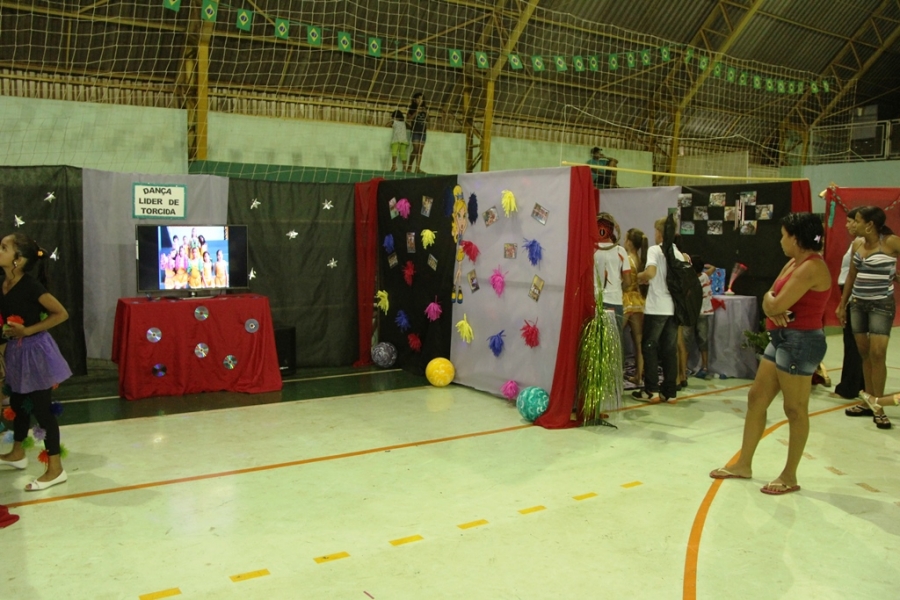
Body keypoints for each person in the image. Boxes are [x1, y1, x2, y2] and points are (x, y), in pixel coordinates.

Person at [710, 213, 831, 495]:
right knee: (756, 399)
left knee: (795, 409)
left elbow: (774, 305)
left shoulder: (811, 267)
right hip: (780, 339)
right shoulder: (794, 263)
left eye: (784, 235)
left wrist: (772, 304)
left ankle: (789, 475)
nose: (780, 241)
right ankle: (744, 464)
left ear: (796, 239)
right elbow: (770, 299)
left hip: (800, 342)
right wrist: (771, 303)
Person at [0, 233, 73, 491]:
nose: (0, 250)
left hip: (36, 352)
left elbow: (61, 313)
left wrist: (27, 331)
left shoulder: (31, 287)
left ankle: (56, 469)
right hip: (17, 351)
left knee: (42, 409)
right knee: (19, 403)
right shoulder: (4, 283)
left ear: (18, 260)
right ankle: (17, 453)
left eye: (4, 248)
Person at [837, 206, 900, 430]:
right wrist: (842, 304)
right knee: (864, 354)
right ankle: (868, 402)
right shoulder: (857, 244)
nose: (854, 224)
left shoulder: (891, 242)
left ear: (870, 224)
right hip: (858, 304)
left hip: (881, 305)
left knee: (878, 353)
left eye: (858, 221)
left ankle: (879, 406)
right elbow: (852, 276)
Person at [632, 217, 681, 402]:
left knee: (649, 347)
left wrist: (640, 276)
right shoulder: (678, 253)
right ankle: (669, 392)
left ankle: (651, 390)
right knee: (669, 350)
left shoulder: (655, 250)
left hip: (656, 307)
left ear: (659, 233)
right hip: (673, 308)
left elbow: (651, 273)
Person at [833, 208, 865, 400]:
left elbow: (854, 273)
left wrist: (844, 302)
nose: (847, 226)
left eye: (851, 221)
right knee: (853, 341)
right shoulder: (857, 242)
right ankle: (857, 384)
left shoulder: (861, 244)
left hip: (853, 292)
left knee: (853, 342)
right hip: (848, 290)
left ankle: (850, 387)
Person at [593, 213, 631, 331]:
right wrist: (617, 288)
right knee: (615, 338)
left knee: (597, 338)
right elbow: (628, 281)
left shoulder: (591, 250)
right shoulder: (620, 251)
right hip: (615, 300)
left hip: (596, 300)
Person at [623, 228, 648, 386]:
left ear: (630, 243)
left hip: (626, 300)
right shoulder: (640, 259)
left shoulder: (626, 259)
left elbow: (625, 282)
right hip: (639, 301)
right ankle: (639, 375)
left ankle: (614, 372)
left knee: (616, 336)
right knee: (638, 341)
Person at [683, 256, 714, 380]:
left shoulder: (689, 280)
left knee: (686, 341)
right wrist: (707, 265)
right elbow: (713, 268)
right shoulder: (705, 276)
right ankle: (705, 367)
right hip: (703, 312)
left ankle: (684, 367)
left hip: (690, 313)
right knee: (703, 340)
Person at [406, 92, 427, 173]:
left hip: (423, 132)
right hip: (415, 131)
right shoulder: (411, 109)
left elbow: (428, 120)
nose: (420, 100)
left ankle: (417, 168)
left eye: (421, 98)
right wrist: (416, 112)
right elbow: (409, 119)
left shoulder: (425, 108)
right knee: (415, 149)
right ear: (415, 100)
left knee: (420, 150)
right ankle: (409, 166)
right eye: (418, 98)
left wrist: (426, 112)